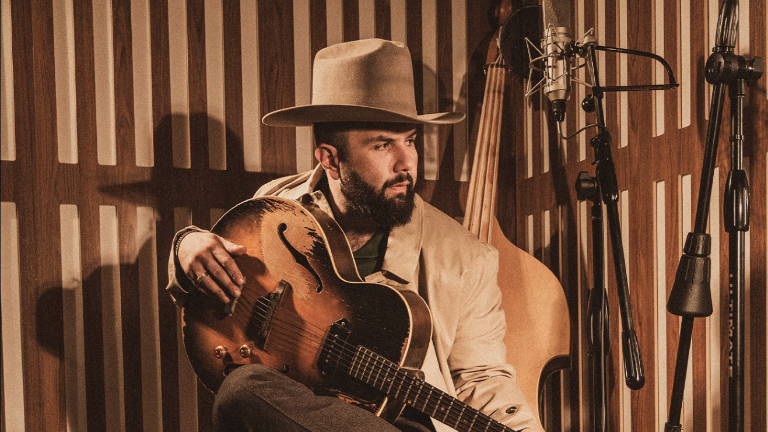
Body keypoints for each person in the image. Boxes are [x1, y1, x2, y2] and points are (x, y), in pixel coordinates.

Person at [167, 38, 542, 432]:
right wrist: (186, 246)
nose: (406, 163)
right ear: (330, 159)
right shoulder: (276, 209)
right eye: (383, 145)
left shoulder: (466, 257)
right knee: (242, 390)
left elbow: (482, 379)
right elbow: (220, 286)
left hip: (399, 423)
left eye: (410, 141)